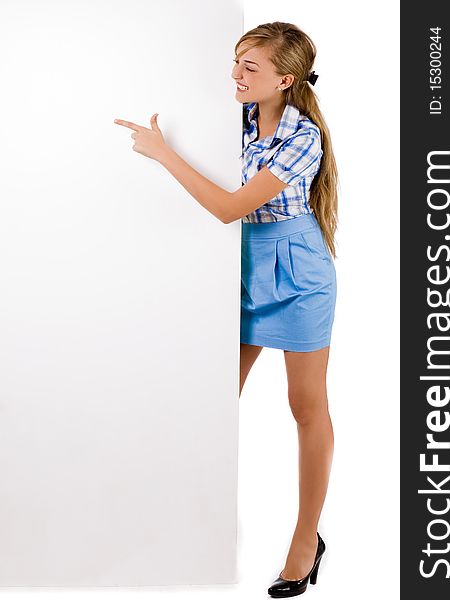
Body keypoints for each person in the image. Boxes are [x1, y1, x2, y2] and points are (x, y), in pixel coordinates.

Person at [114, 20, 338, 598]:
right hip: (240, 268)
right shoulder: (232, 119)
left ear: (285, 79)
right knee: (216, 398)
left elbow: (231, 207)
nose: (235, 74)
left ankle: (305, 540)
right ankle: (188, 527)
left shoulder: (302, 135)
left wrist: (163, 154)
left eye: (250, 67)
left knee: (305, 405)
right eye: (236, 61)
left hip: (299, 271)